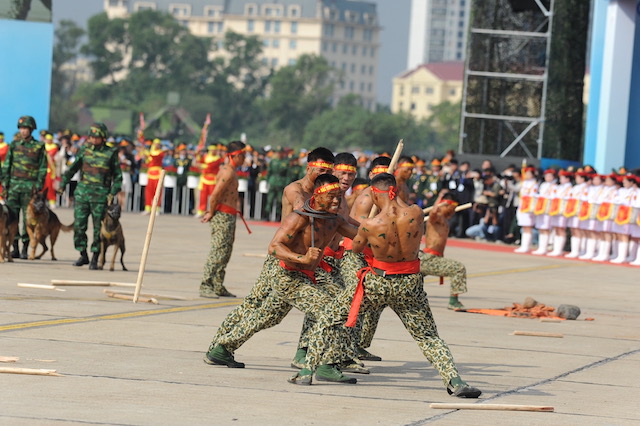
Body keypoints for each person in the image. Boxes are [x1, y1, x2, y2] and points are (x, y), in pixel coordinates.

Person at [296, 173, 482, 397]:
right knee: (428, 337)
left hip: (378, 282)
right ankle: (455, 380)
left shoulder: (371, 225)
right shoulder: (415, 212)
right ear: (394, 190)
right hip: (410, 282)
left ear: (375, 193)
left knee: (329, 318)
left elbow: (355, 249)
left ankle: (306, 371)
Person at [205, 174, 361, 384]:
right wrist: (302, 258)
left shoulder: (335, 219)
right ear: (317, 195)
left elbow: (360, 237)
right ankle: (326, 364)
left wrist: (385, 231)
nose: (337, 201)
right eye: (332, 196)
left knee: (269, 316)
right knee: (331, 311)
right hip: (287, 276)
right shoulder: (299, 217)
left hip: (308, 275)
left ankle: (222, 347)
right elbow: (274, 247)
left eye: (339, 196)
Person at [59, 123, 122, 269]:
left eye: (97, 137)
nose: (93, 140)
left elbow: (118, 177)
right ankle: (83, 254)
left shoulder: (111, 153)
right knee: (79, 226)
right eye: (92, 137)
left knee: (97, 229)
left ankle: (95, 257)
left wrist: (112, 192)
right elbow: (72, 169)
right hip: (82, 194)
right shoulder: (84, 150)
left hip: (101, 196)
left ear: (103, 137)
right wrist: (63, 183)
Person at [199, 141, 249, 298]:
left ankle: (217, 284)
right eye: (243, 156)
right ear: (237, 156)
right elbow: (215, 195)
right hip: (222, 215)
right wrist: (210, 212)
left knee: (226, 251)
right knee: (218, 251)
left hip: (230, 215)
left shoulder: (231, 171)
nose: (245, 159)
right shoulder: (227, 172)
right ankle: (206, 285)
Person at [1, 116, 47, 259]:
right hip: (14, 186)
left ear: (31, 129)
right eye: (21, 128)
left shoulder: (39, 146)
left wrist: (39, 184)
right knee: (12, 218)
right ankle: (13, 247)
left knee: (29, 220)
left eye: (26, 128)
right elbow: (7, 166)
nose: (23, 131)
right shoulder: (14, 145)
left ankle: (25, 248)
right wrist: (5, 185)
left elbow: (42, 167)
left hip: (30, 188)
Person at [421, 191, 470, 310]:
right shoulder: (436, 218)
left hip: (434, 258)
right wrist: (440, 199)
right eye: (452, 208)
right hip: (428, 258)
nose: (454, 211)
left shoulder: (445, 219)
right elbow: (432, 213)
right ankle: (453, 301)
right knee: (458, 268)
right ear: (446, 205)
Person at [264, 147, 289, 221]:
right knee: (270, 200)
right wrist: (267, 181)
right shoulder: (273, 161)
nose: (279, 154)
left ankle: (278, 216)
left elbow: (288, 175)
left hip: (281, 182)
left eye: (280, 152)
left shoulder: (286, 162)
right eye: (278, 152)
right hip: (273, 181)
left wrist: (286, 184)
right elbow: (269, 172)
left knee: (279, 201)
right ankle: (267, 215)